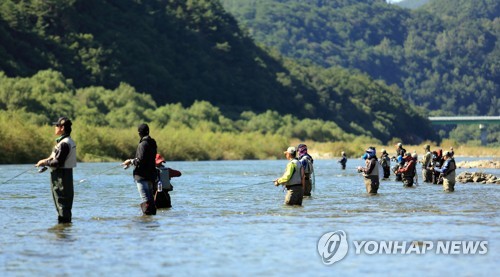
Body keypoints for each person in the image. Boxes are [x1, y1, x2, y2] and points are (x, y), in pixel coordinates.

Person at [36, 117, 77, 224]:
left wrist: (44, 163)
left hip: (61, 177)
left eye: (56, 125)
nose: (55, 127)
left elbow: (57, 162)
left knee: (62, 204)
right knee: (63, 204)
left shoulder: (64, 143)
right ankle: (64, 230)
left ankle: (63, 233)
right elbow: (57, 159)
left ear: (62, 128)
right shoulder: (66, 141)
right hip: (64, 175)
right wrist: (46, 162)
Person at [122, 123, 158, 215]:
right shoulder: (153, 143)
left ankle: (145, 224)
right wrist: (132, 162)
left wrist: (129, 161)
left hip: (142, 177)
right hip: (151, 176)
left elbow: (140, 161)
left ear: (139, 133)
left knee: (146, 202)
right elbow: (146, 160)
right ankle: (151, 223)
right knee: (150, 202)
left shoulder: (143, 144)